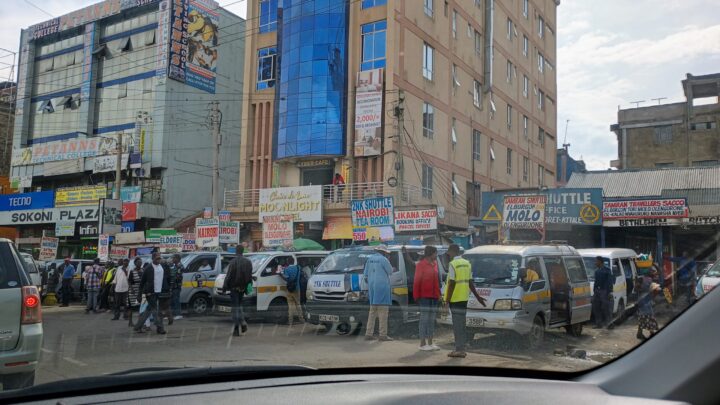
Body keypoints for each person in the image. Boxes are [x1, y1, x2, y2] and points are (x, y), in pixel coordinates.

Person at [444, 244, 487, 358]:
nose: (448, 254)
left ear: (453, 252)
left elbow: (452, 283)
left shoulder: (453, 264)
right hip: (464, 298)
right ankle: (461, 347)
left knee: (457, 325)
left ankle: (459, 350)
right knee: (461, 324)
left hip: (455, 299)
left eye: (449, 252)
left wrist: (447, 301)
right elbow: (470, 282)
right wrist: (478, 297)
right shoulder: (467, 263)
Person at [363, 245, 394, 342]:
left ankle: (368, 334)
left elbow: (366, 276)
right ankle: (383, 335)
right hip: (382, 289)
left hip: (373, 290)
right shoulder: (384, 259)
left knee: (372, 313)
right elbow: (390, 271)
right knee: (383, 313)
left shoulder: (370, 259)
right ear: (384, 252)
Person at [134, 253, 170, 334]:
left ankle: (138, 326)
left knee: (148, 311)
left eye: (159, 258)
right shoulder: (148, 268)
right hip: (150, 293)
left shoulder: (161, 267)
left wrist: (166, 289)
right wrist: (140, 294)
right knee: (155, 311)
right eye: (157, 258)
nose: (159, 260)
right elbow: (142, 282)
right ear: (153, 259)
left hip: (158, 292)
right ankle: (160, 328)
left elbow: (164, 278)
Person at [413, 246, 441, 351]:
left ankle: (430, 342)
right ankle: (422, 343)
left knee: (431, 320)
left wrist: (439, 295)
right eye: (436, 253)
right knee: (424, 319)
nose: (436, 255)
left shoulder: (435, 264)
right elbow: (417, 281)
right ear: (431, 254)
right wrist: (416, 296)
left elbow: (436, 282)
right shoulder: (421, 265)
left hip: (434, 297)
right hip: (424, 297)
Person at [222, 246, 253, 336]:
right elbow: (249, 277)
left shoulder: (233, 262)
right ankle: (243, 323)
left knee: (235, 308)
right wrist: (247, 287)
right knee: (239, 306)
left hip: (234, 288)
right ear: (242, 251)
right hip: (242, 288)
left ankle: (236, 329)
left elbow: (228, 276)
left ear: (236, 251)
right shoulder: (248, 262)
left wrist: (224, 287)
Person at [635, 270, 661, 340]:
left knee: (644, 317)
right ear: (649, 274)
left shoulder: (646, 279)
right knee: (648, 316)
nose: (654, 274)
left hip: (644, 300)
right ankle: (650, 332)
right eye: (652, 272)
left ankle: (640, 333)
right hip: (644, 300)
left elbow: (636, 288)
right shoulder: (645, 279)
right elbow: (636, 288)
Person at [592, 256, 614, 329]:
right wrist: (594, 290)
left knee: (606, 308)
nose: (595, 263)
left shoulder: (607, 270)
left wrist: (610, 292)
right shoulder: (596, 271)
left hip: (605, 291)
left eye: (596, 261)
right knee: (596, 307)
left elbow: (610, 281)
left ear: (600, 262)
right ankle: (599, 324)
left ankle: (609, 324)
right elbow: (595, 282)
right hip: (597, 291)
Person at [127, 257, 144, 327]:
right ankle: (130, 322)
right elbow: (129, 281)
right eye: (138, 262)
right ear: (135, 263)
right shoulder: (132, 271)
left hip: (140, 291)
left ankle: (140, 322)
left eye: (140, 262)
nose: (140, 263)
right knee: (132, 307)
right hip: (133, 291)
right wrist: (132, 289)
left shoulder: (143, 271)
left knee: (141, 307)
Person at [168, 254, 185, 320]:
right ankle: (172, 314)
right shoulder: (175, 266)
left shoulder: (180, 266)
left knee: (176, 300)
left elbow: (178, 276)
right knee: (172, 300)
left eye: (173, 258)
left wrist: (172, 279)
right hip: (173, 286)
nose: (172, 259)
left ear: (177, 259)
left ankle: (178, 314)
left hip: (176, 286)